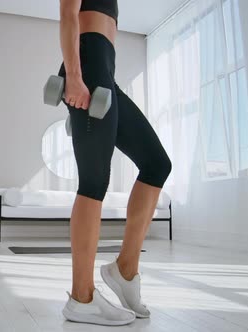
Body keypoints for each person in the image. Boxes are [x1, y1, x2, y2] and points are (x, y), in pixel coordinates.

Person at [58, 0, 172, 326]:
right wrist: (75, 77)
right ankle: (81, 297)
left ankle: (125, 270)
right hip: (87, 65)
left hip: (105, 70)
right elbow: (68, 14)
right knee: (94, 183)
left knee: (156, 164)